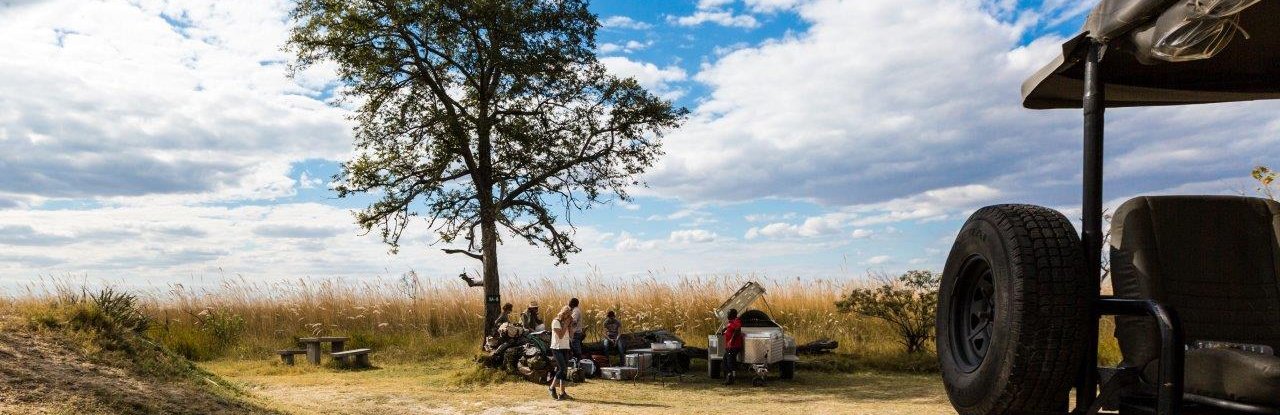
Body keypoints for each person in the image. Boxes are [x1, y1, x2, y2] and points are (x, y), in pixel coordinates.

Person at [549, 305, 574, 400]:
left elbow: (571, 335)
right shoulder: (556, 322)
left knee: (564, 370)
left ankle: (562, 393)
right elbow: (560, 335)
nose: (569, 317)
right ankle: (551, 387)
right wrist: (566, 325)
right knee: (562, 369)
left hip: (565, 347)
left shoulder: (565, 322)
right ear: (564, 314)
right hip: (557, 348)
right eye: (568, 315)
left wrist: (570, 326)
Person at [721, 308, 745, 385]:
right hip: (729, 346)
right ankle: (728, 378)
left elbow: (737, 329)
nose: (727, 315)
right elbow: (731, 328)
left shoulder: (736, 321)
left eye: (728, 314)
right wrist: (725, 329)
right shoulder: (731, 322)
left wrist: (731, 340)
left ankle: (731, 379)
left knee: (730, 362)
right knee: (725, 361)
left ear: (733, 315)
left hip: (733, 346)